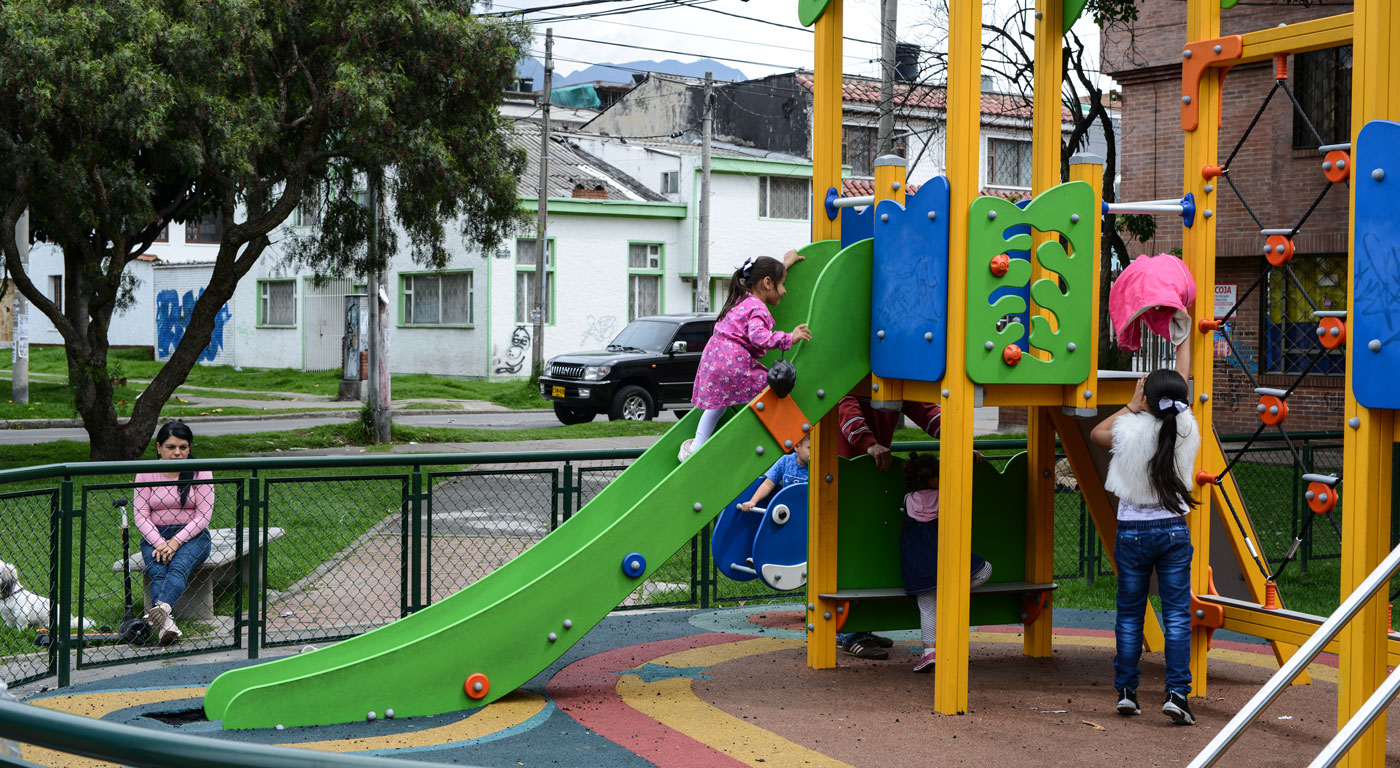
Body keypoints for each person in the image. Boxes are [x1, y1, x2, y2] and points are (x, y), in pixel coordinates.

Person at [1090, 341, 1199, 726]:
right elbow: (1180, 384)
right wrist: (1183, 337)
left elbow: (1096, 433)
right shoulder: (1186, 427)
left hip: (1133, 532)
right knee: (1176, 617)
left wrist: (1131, 404)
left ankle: (1126, 692)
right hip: (1172, 530)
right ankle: (1177, 694)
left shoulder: (1127, 429)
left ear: (1147, 399)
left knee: (1130, 614)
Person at [831, 391, 944, 658]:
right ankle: (848, 633)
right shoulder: (855, 376)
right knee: (851, 547)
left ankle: (860, 626)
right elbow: (844, 406)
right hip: (846, 469)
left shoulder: (893, 378)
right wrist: (868, 443)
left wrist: (957, 437)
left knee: (872, 544)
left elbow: (923, 408)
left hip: (873, 468)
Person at [680, 252, 810, 461]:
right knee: (771, 389)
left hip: (714, 356)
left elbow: (766, 275)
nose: (784, 290)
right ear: (768, 283)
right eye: (783, 284)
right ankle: (791, 439)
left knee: (718, 406)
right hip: (733, 360)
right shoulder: (758, 307)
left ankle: (696, 446)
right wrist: (789, 338)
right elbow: (758, 337)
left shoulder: (743, 299)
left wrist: (785, 264)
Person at [899, 452, 993, 673]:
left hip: (918, 564)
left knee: (927, 607)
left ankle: (929, 653)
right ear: (934, 479)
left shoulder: (907, 499)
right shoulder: (945, 497)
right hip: (944, 558)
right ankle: (950, 593)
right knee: (984, 569)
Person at [133, 421, 214, 646]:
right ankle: (166, 624)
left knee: (178, 567)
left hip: (193, 537)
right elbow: (140, 515)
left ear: (189, 448)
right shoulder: (146, 473)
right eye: (171, 447)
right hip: (155, 536)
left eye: (183, 447)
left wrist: (176, 542)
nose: (178, 453)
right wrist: (160, 543)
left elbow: (203, 516)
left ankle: (158, 614)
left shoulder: (201, 471)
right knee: (158, 572)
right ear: (159, 447)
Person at [740, 434, 811, 513]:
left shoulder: (819, 467)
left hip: (807, 512)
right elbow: (767, 485)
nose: (815, 452)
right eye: (810, 448)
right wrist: (753, 501)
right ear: (797, 447)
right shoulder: (785, 461)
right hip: (786, 510)